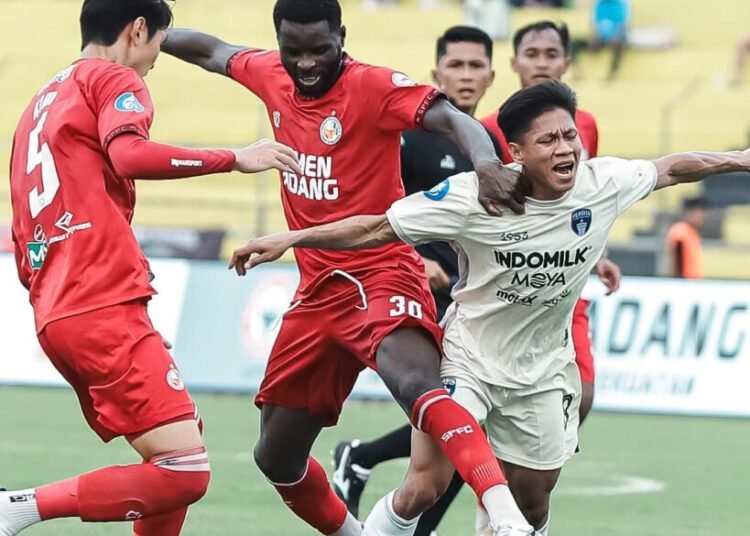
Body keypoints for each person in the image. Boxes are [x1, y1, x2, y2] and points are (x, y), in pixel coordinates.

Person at [229, 80, 750, 536]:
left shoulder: (603, 184)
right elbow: (375, 227)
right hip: (468, 359)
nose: (566, 148)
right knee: (423, 487)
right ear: (517, 153)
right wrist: (292, 238)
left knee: (533, 502)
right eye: (549, 140)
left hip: (544, 371)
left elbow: (674, 167)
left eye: (570, 136)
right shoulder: (474, 197)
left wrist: (741, 159)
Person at [162, 1, 532, 535]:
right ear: (279, 44)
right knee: (276, 456)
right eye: (294, 52)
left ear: (342, 36)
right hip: (316, 293)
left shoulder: (373, 86)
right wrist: (147, 32)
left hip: (383, 271)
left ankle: (503, 515)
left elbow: (452, 117)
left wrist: (489, 164)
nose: (307, 63)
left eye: (320, 50)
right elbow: (211, 51)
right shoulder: (268, 71)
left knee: (415, 381)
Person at [1, 1, 301, 535]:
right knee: (186, 471)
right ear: (138, 29)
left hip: (59, 308)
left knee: (179, 438)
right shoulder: (112, 77)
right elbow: (130, 156)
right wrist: (234, 157)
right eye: (157, 47)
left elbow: (25, 231)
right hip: (97, 298)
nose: (152, 62)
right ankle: (18, 508)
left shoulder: (36, 109)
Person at [331, 25, 500, 536]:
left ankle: (360, 458)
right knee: (456, 423)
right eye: (456, 66)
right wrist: (410, 256)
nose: (466, 75)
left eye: (476, 66)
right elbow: (370, 210)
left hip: (466, 300)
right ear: (436, 74)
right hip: (411, 294)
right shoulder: (408, 137)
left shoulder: (489, 144)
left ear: (492, 75)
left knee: (460, 426)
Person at [481, 20, 620, 427]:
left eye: (551, 54)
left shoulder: (586, 124)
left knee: (582, 395)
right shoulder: (488, 128)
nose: (541, 63)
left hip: (564, 277)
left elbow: (587, 197)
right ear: (514, 62)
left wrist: (599, 256)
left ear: (567, 62)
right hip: (508, 283)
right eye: (532, 54)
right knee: (494, 409)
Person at [570, 0, 631, 82]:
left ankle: (612, 73)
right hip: (600, 38)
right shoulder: (598, 3)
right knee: (574, 43)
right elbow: (594, 24)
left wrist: (615, 37)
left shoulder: (623, 3)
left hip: (616, 38)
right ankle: (576, 71)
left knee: (620, 45)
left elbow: (624, 25)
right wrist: (595, 37)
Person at [665, 196, 707, 278]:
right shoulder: (681, 230)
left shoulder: (692, 231)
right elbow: (677, 261)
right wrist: (680, 283)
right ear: (688, 213)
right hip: (685, 284)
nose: (701, 217)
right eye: (697, 213)